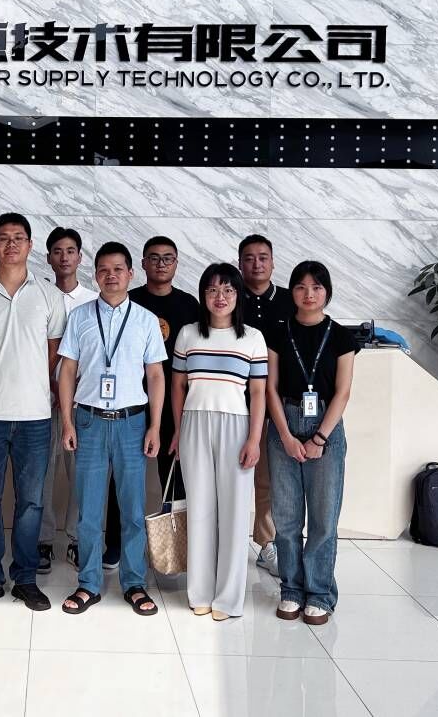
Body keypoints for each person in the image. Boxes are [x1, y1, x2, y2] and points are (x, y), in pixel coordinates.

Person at [0, 213, 67, 612]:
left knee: (31, 501)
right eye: (3, 238)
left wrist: (29, 378)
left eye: (19, 237)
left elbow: (53, 351)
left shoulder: (48, 294)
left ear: (30, 245)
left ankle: (25, 578)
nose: (11, 244)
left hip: (35, 415)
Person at [57, 242, 166, 617]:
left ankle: (134, 583)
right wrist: (68, 421)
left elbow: (155, 375)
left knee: (133, 509)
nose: (111, 275)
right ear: (96, 275)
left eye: (118, 269)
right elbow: (68, 371)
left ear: (131, 274)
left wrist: (155, 425)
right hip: (88, 421)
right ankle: (88, 583)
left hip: (132, 423)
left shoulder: (146, 320)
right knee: (88, 510)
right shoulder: (81, 317)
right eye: (103, 269)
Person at [170, 264, 268, 620]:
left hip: (237, 426)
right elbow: (178, 386)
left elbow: (258, 393)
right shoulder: (188, 334)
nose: (220, 297)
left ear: (238, 294)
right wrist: (179, 430)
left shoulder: (252, 338)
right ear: (203, 295)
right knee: (199, 508)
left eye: (227, 290)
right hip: (194, 423)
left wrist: (254, 439)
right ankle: (199, 592)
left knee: (234, 514)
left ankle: (227, 599)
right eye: (212, 290)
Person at [265, 261, 357, 626]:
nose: (309, 294)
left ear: (327, 292)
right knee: (286, 518)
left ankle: (319, 593)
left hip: (326, 426)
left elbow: (343, 391)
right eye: (301, 287)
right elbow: (270, 388)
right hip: (284, 423)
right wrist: (286, 436)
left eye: (316, 287)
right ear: (292, 292)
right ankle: (291, 589)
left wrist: (320, 437)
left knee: (323, 519)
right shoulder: (278, 332)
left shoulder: (342, 337)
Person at [237, 233, 297, 579]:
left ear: (273, 263)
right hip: (234, 402)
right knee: (230, 476)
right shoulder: (228, 298)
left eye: (262, 257)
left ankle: (267, 543)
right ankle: (224, 543)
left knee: (268, 479)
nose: (256, 264)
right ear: (239, 264)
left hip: (276, 404)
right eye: (249, 258)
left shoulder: (290, 301)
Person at [39, 227, 98, 574]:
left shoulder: (93, 300)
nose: (64, 257)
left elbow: (97, 353)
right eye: (57, 251)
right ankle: (43, 541)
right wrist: (49, 386)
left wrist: (71, 391)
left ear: (79, 257)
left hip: (81, 401)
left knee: (82, 474)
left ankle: (77, 540)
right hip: (41, 399)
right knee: (42, 472)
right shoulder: (38, 295)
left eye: (70, 251)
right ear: (48, 257)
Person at [128, 235, 202, 506]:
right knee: (124, 478)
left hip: (175, 402)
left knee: (175, 477)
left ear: (176, 263)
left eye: (167, 258)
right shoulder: (129, 301)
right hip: (132, 400)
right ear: (143, 263)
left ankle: (174, 533)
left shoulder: (189, 305)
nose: (161, 264)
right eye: (155, 258)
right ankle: (120, 534)